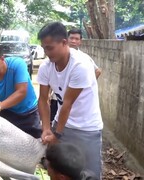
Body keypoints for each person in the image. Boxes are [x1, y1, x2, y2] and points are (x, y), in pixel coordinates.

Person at [37, 22, 103, 179]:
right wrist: (46, 128)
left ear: (64, 42)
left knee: (89, 173)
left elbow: (67, 104)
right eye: (44, 48)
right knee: (58, 171)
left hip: (86, 128)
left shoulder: (80, 65)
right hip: (61, 123)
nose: (46, 53)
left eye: (50, 48)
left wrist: (57, 135)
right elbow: (43, 99)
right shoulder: (46, 67)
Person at [0, 42, 42, 180]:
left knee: (33, 151)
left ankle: (30, 176)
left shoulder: (17, 64)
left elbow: (21, 92)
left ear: (2, 59)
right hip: (8, 112)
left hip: (29, 112)